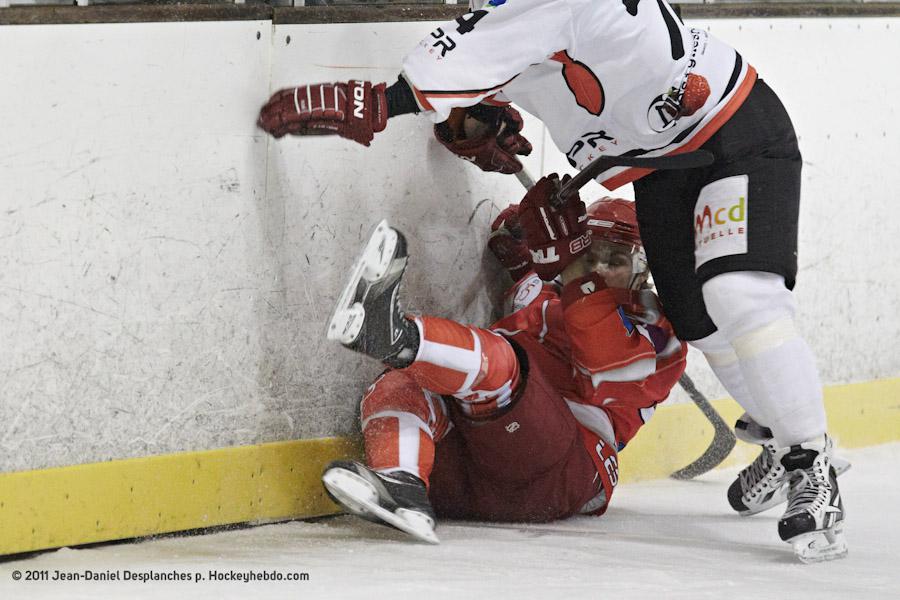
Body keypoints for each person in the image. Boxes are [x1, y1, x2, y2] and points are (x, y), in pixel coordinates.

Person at [257, 0, 846, 562]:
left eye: (617, 253)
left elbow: (485, 45)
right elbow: (515, 60)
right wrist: (484, 116)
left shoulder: (641, 321)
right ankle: (784, 440)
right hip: (658, 165)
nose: (609, 260)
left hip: (732, 130)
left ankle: (810, 462)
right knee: (705, 324)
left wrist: (387, 101)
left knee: (737, 295)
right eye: (602, 248)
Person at [321, 193, 686, 543]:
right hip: (473, 472)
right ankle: (402, 485)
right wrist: (527, 223)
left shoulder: (659, 329)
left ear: (642, 271)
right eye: (589, 255)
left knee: (504, 364)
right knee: (401, 384)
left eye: (616, 261)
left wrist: (574, 267)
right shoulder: (546, 291)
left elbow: (604, 359)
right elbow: (512, 240)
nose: (599, 269)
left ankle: (396, 337)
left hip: (559, 470)